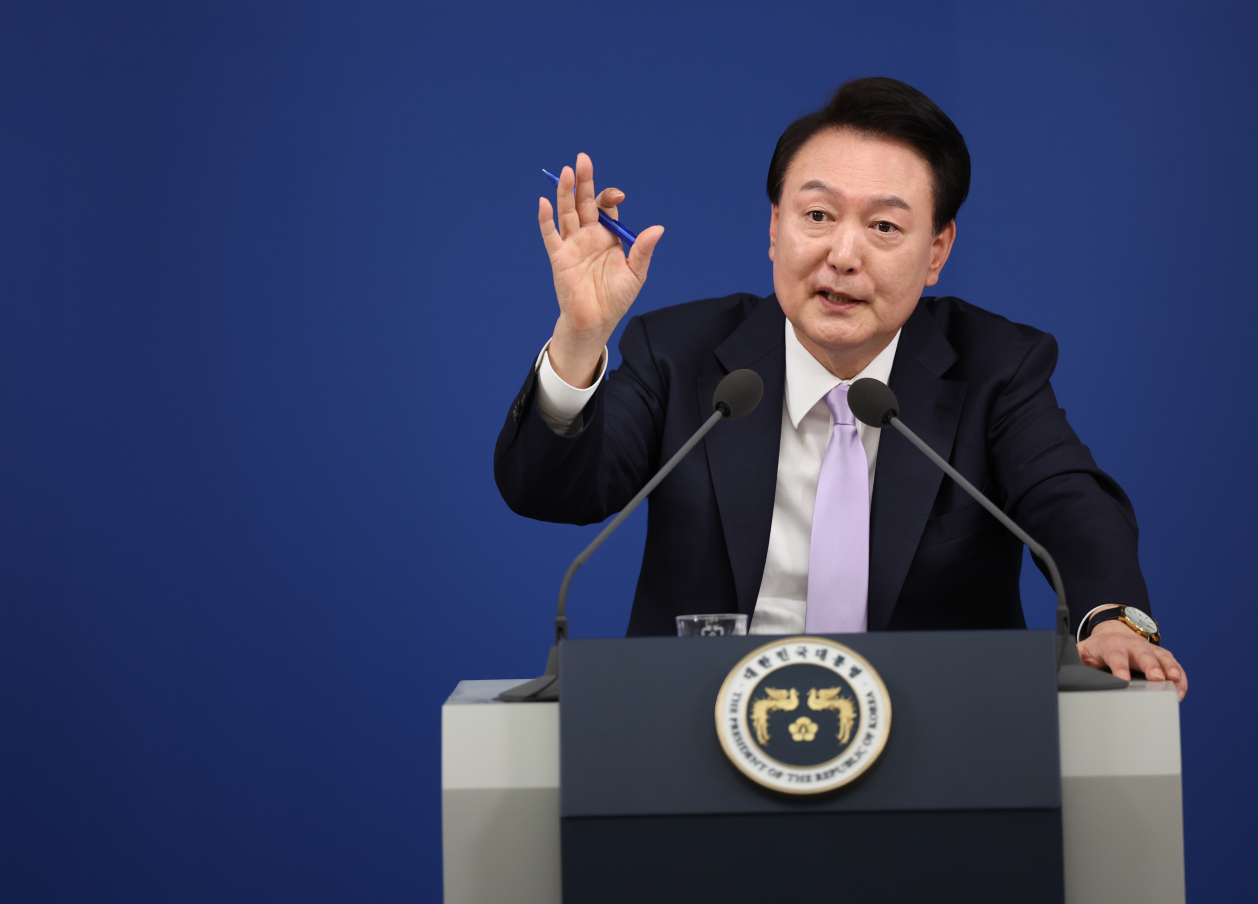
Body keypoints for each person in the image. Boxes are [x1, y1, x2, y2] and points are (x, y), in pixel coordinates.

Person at [494, 77, 1186, 700]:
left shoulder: (995, 367)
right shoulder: (682, 354)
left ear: (937, 252)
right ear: (774, 228)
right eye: (817, 217)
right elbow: (552, 492)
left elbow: (1068, 499)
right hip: (697, 742)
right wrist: (581, 337)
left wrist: (1113, 617)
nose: (843, 255)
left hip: (937, 754)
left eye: (884, 226)